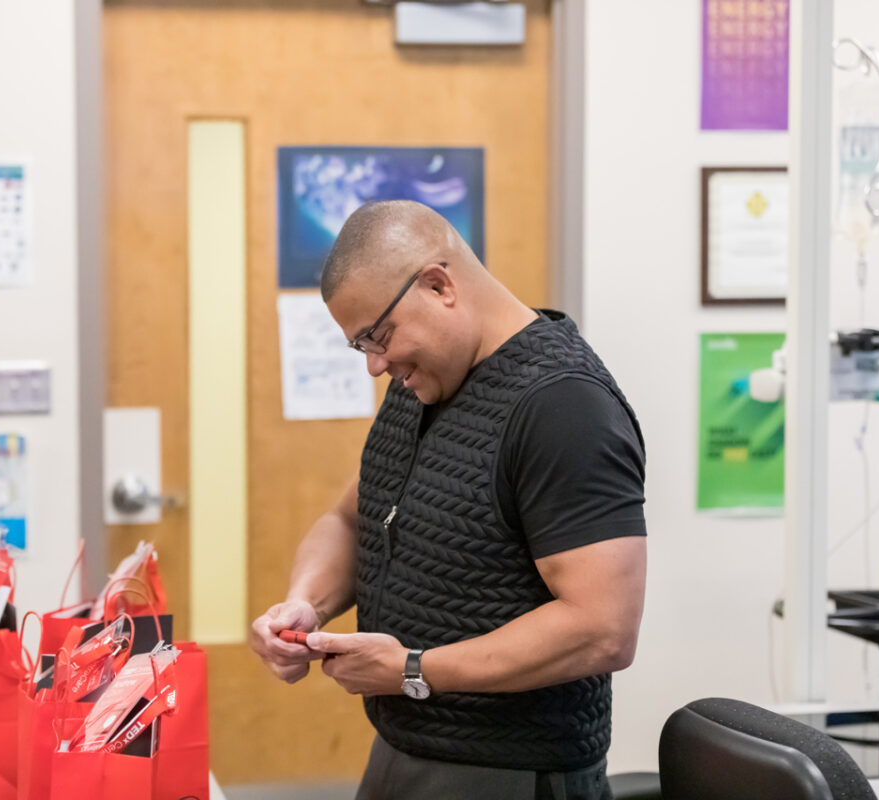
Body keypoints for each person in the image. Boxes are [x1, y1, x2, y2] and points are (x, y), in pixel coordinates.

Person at [249, 200, 647, 800]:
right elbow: (351, 520)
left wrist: (412, 670)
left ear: (439, 285)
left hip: (510, 775)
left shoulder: (563, 406)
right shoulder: (424, 382)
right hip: (406, 751)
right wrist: (306, 605)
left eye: (379, 337)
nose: (377, 366)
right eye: (363, 347)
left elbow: (603, 628)